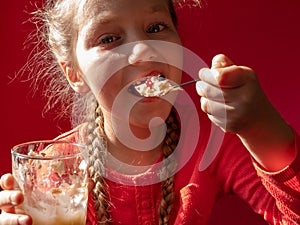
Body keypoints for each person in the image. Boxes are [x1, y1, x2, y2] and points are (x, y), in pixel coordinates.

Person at [0, 0, 299, 224]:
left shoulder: (214, 140)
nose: (143, 51)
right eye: (109, 39)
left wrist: (262, 127)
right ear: (75, 74)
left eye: (156, 28)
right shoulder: (53, 173)